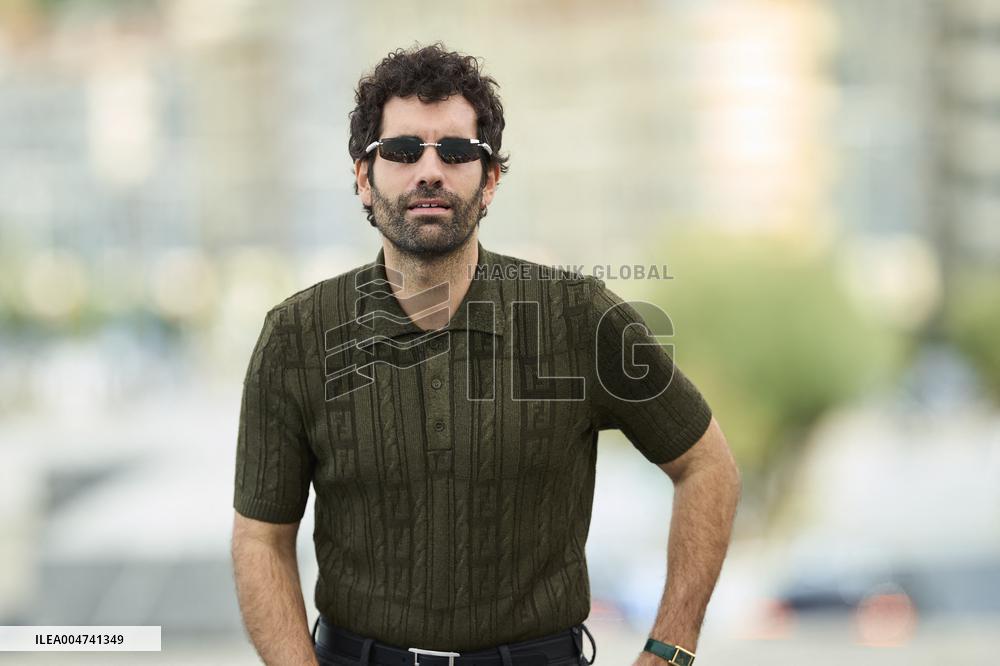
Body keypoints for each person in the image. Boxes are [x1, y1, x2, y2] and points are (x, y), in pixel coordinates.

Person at [231, 43, 741, 666]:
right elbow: (260, 537)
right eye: (400, 150)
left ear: (490, 179)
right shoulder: (296, 334)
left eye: (455, 151)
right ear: (363, 178)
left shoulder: (576, 314)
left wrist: (670, 650)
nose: (429, 171)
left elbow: (707, 466)